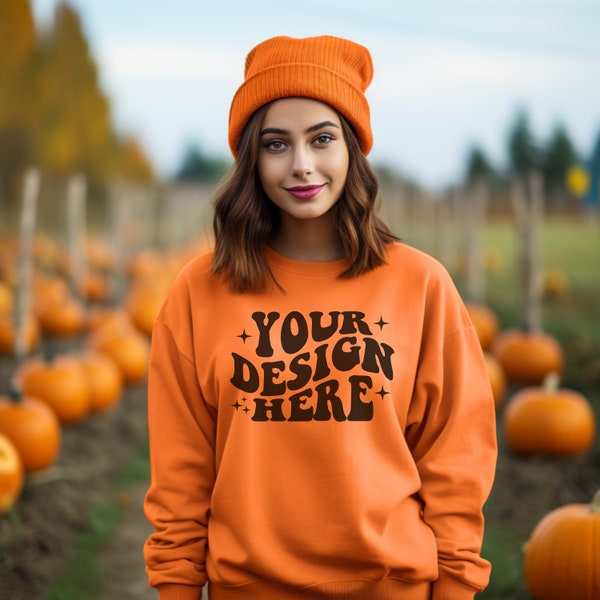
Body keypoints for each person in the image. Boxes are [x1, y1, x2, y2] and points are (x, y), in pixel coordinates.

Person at [143, 34, 497, 600]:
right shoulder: (198, 292)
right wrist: (177, 589)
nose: (302, 165)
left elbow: (455, 462)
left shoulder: (421, 285)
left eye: (322, 139)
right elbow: (180, 477)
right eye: (277, 144)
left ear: (352, 150)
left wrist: (455, 587)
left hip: (394, 588)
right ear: (250, 158)